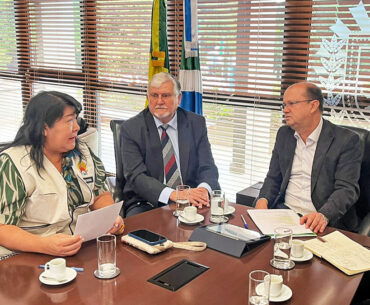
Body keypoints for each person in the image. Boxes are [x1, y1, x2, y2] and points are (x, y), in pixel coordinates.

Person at [0, 91, 124, 258]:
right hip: (28, 256)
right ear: (44, 128)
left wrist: (110, 218)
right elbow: (3, 228)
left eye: (76, 119)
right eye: (69, 121)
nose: (77, 127)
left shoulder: (82, 152)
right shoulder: (14, 164)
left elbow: (100, 194)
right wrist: (44, 245)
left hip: (78, 249)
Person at [255, 82, 362, 233]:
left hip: (322, 221)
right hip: (284, 215)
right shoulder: (284, 135)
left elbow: (346, 189)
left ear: (313, 106)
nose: (285, 110)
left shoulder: (346, 141)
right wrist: (262, 201)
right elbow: (273, 177)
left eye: (292, 104)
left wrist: (323, 215)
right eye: (284, 104)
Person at [121, 72, 220, 216]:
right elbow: (137, 177)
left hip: (192, 201)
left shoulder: (196, 124)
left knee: (212, 232)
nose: (159, 101)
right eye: (154, 96)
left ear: (178, 98)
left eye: (165, 95)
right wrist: (174, 194)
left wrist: (202, 191)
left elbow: (208, 167)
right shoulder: (132, 128)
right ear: (148, 98)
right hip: (147, 202)